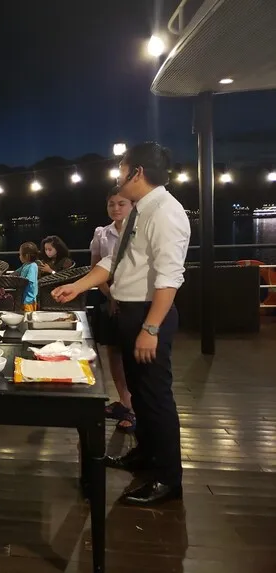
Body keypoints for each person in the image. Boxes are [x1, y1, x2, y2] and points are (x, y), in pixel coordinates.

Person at [52, 142, 189, 506]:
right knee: (139, 394)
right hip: (129, 313)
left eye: (122, 169)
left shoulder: (166, 213)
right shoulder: (139, 211)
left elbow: (170, 278)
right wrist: (77, 286)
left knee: (156, 397)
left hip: (147, 313)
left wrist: (151, 328)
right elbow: (114, 261)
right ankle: (145, 454)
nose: (118, 176)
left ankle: (168, 479)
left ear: (137, 172)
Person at [90, 187, 135, 432]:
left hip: (135, 299)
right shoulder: (102, 233)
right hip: (109, 298)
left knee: (132, 354)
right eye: (111, 204)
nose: (116, 208)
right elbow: (95, 269)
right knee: (113, 352)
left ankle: (135, 409)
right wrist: (110, 295)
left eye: (121, 203)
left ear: (132, 205)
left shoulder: (139, 231)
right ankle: (124, 401)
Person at [15, 242, 40, 312]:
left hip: (29, 299)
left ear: (26, 256)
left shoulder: (33, 266)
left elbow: (29, 280)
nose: (19, 256)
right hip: (23, 297)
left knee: (29, 315)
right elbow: (16, 272)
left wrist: (18, 282)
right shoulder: (25, 265)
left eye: (20, 254)